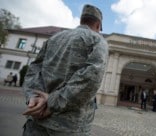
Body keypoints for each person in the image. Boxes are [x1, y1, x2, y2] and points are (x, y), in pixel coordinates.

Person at [22, 4, 108, 136]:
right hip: (68, 127)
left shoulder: (55, 38)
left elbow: (34, 69)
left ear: (82, 20)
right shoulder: (97, 40)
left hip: (35, 122)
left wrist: (34, 98)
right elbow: (91, 78)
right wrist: (52, 102)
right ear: (97, 25)